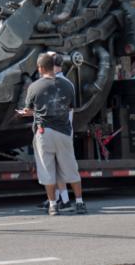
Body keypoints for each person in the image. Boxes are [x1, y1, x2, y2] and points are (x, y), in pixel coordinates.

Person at [18, 53, 87, 216]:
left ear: (40, 68)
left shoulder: (34, 87)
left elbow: (29, 109)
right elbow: (71, 107)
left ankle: (53, 205)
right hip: (63, 132)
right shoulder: (68, 85)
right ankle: (80, 202)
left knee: (47, 170)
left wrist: (28, 112)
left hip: (44, 132)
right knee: (71, 169)